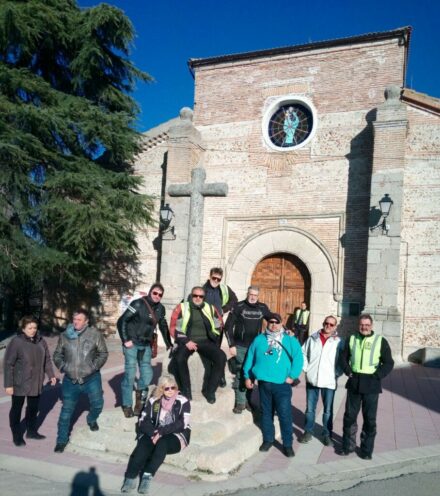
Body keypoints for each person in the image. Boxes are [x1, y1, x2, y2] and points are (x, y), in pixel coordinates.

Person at [243, 313, 303, 457]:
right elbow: (250, 358)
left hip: (281, 385)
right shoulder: (259, 340)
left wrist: (292, 376)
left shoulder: (290, 340)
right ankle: (268, 440)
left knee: (284, 414)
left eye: (277, 322)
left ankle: (287, 444)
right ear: (267, 323)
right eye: (271, 322)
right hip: (264, 383)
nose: (274, 324)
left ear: (281, 323)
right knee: (266, 413)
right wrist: (247, 376)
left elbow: (299, 359)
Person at [121, 375, 191, 494]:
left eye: (172, 388)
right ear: (161, 389)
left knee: (162, 444)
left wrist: (161, 432)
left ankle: (147, 476)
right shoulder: (154, 401)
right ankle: (130, 477)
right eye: (166, 388)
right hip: (154, 431)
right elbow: (143, 420)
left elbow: (182, 423)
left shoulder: (182, 401)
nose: (170, 391)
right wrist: (154, 432)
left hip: (175, 435)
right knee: (142, 447)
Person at [339, 314, 394, 460]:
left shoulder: (380, 341)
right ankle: (347, 446)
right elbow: (343, 358)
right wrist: (348, 371)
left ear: (371, 326)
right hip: (355, 382)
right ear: (359, 325)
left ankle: (366, 450)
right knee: (349, 417)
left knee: (369, 419)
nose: (364, 327)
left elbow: (389, 363)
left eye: (367, 325)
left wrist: (377, 375)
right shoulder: (352, 339)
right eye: (362, 325)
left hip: (371, 384)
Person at [53, 309, 108, 453]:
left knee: (98, 404)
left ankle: (91, 419)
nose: (75, 322)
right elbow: (57, 354)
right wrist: (63, 367)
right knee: (66, 413)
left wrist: (94, 367)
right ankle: (61, 440)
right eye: (74, 319)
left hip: (91, 378)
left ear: (86, 322)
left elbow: (103, 353)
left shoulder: (95, 335)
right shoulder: (65, 336)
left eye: (79, 319)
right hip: (70, 381)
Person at [117, 283, 172, 418]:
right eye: (155, 293)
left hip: (146, 344)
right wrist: (126, 339)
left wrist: (169, 343)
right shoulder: (138, 304)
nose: (157, 296)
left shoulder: (160, 309)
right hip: (132, 343)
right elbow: (122, 321)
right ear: (150, 292)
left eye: (160, 294)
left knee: (147, 375)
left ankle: (139, 404)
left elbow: (163, 326)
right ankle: (127, 405)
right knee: (130, 375)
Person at [3, 316, 56, 446]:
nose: (33, 330)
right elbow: (8, 364)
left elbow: (47, 359)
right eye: (29, 328)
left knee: (33, 408)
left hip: (36, 381)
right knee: (17, 408)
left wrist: (51, 374)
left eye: (35, 327)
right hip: (19, 382)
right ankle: (17, 435)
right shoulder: (16, 342)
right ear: (23, 329)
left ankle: (31, 431)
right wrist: (8, 384)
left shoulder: (41, 341)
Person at [170, 286, 225, 403]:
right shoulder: (182, 307)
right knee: (179, 359)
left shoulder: (210, 308)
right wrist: (186, 341)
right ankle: (186, 390)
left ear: (204, 297)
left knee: (221, 357)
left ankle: (210, 391)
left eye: (201, 296)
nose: (198, 298)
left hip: (205, 341)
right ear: (191, 296)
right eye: (195, 295)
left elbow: (219, 324)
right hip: (187, 341)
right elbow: (175, 327)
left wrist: (214, 337)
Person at [224, 285, 271, 413]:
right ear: (247, 293)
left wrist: (285, 330)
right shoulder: (238, 307)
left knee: (251, 373)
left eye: (255, 295)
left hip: (255, 348)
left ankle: (248, 401)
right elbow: (228, 327)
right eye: (251, 294)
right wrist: (231, 344)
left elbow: (272, 320)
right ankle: (240, 403)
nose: (253, 297)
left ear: (258, 296)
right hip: (240, 347)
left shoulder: (263, 308)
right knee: (241, 373)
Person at [298, 315, 343, 446]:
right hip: (313, 379)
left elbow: (343, 359)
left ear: (335, 327)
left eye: (331, 324)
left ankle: (327, 434)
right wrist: (307, 368)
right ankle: (308, 431)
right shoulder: (313, 338)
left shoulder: (339, 341)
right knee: (310, 409)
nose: (328, 326)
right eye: (326, 323)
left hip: (329, 381)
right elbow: (302, 353)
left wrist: (337, 372)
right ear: (323, 323)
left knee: (328, 410)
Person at [202, 267, 237, 389]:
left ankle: (220, 376)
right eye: (214, 278)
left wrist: (225, 309)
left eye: (218, 279)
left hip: (217, 324)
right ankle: (208, 377)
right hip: (204, 324)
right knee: (206, 352)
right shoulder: (202, 289)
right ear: (210, 276)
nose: (216, 281)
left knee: (216, 351)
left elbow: (234, 300)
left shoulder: (224, 289)